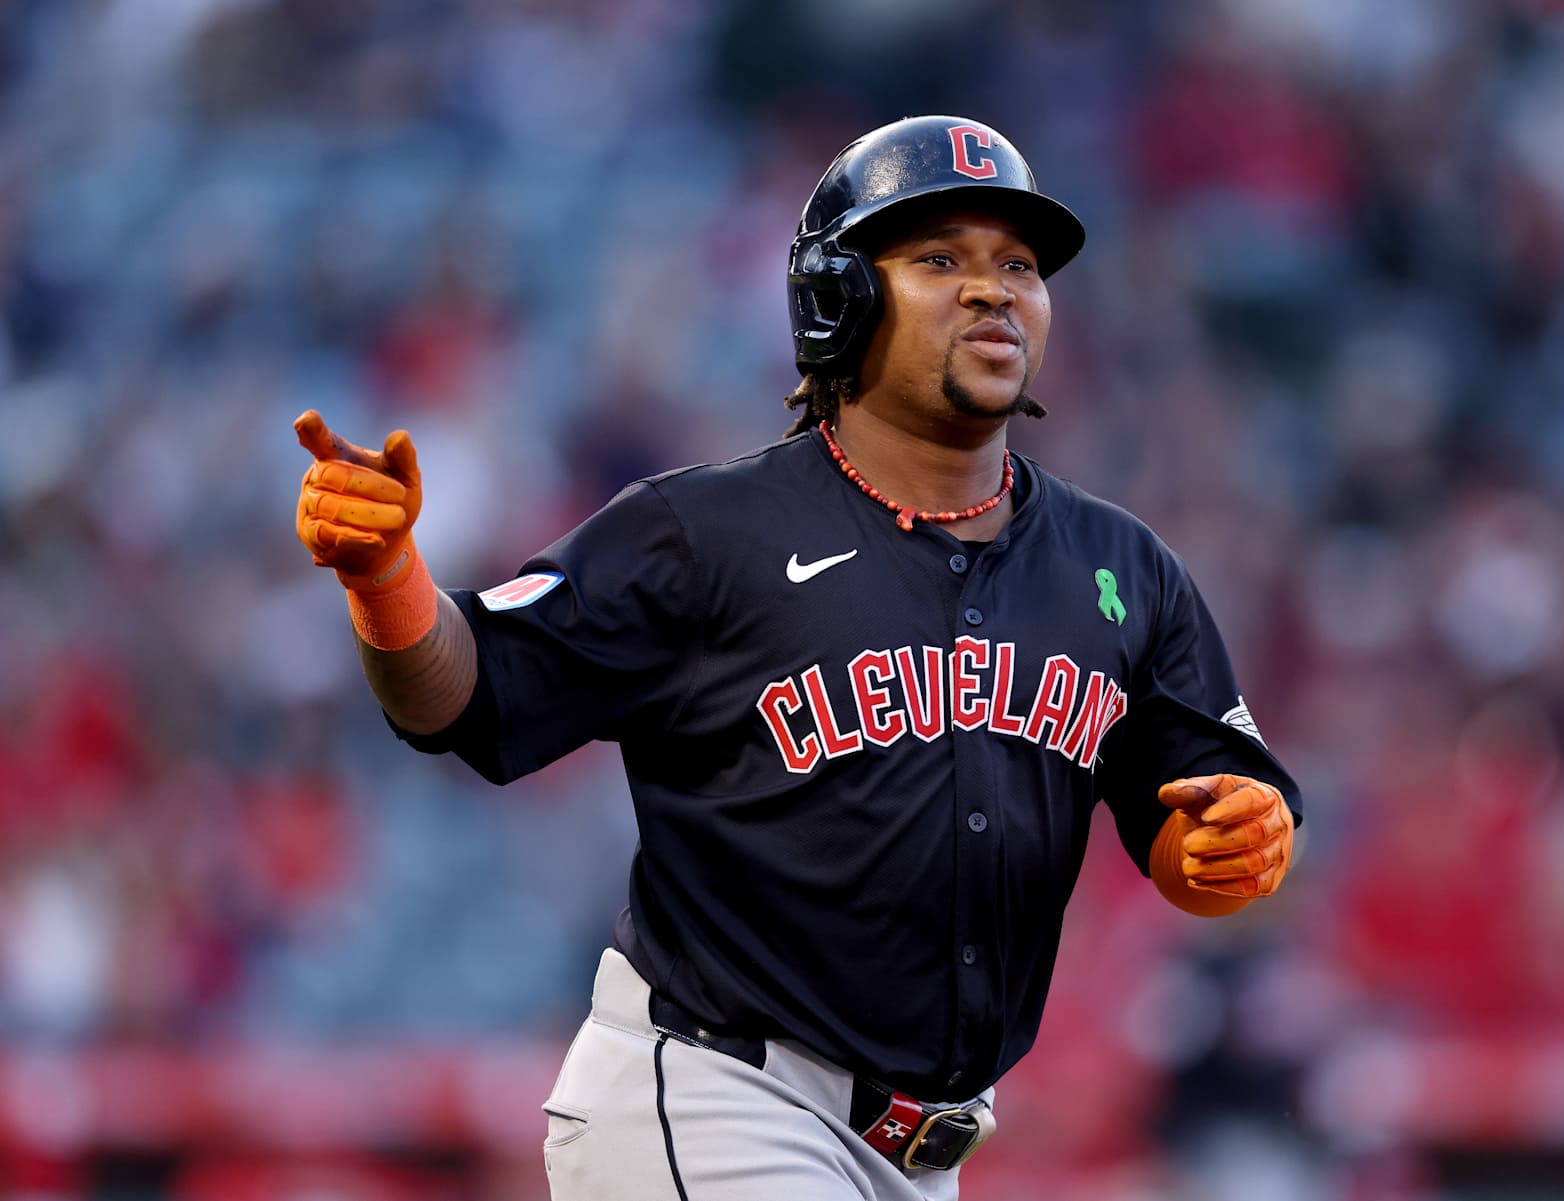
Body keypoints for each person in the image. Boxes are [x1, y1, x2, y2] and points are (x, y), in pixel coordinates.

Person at [291, 115, 1301, 1201]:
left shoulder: (1122, 567)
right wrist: (387, 577)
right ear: (842, 298)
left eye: (1018, 263)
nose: (993, 288)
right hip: (722, 1094)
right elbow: (467, 696)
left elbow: (1199, 815)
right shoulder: (705, 532)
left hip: (922, 1157)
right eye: (939, 260)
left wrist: (1234, 843)